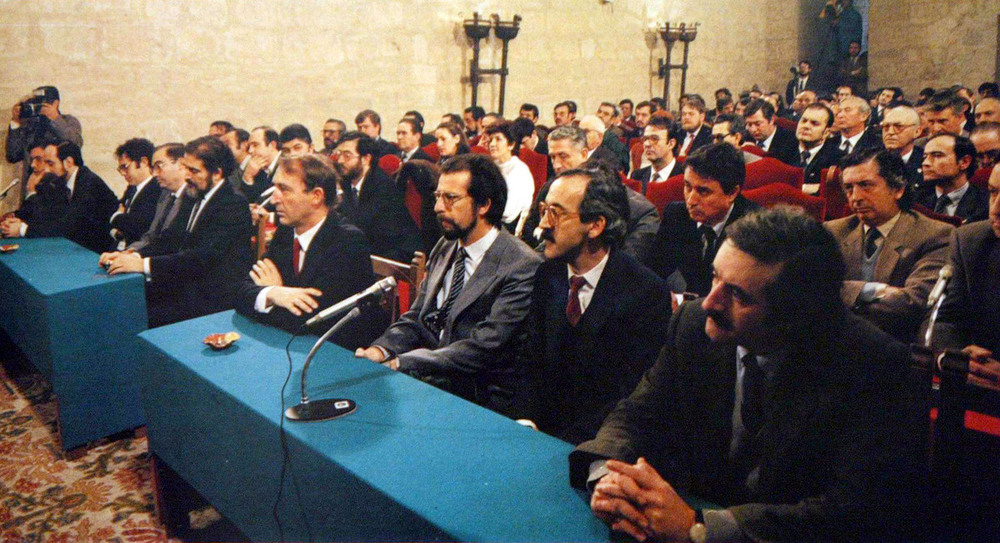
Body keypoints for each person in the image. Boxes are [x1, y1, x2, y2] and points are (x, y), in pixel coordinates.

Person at [571, 206, 924, 543]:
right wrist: (609, 474)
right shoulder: (693, 324)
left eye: (737, 294)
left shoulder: (872, 364)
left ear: (796, 314)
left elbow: (856, 510)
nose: (710, 301)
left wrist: (701, 527)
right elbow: (638, 413)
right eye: (715, 277)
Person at [355, 154, 543, 416]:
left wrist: (402, 362)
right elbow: (416, 318)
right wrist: (381, 349)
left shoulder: (520, 265)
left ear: (484, 205)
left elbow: (483, 347)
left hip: (476, 396)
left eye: (450, 198)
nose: (437, 207)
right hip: (428, 378)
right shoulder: (446, 245)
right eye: (437, 196)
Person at [523, 163, 670, 444]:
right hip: (535, 433)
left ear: (595, 225)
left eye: (556, 213)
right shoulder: (547, 274)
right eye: (543, 210)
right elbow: (529, 362)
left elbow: (627, 397)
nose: (542, 225)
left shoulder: (646, 293)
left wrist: (560, 443)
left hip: (596, 444)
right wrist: (526, 422)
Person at [106, 136, 253, 328]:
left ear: (217, 173)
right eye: (185, 168)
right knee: (122, 301)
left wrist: (143, 265)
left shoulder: (233, 204)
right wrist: (131, 254)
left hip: (213, 298)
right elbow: (170, 239)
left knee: (135, 313)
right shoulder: (194, 194)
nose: (187, 176)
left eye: (193, 170)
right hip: (188, 284)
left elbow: (201, 258)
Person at [234, 154, 381, 346]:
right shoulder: (287, 231)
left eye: (284, 190)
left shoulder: (348, 242)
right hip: (289, 345)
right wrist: (274, 294)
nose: (274, 199)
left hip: (335, 355)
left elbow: (311, 323)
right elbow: (241, 292)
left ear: (316, 196)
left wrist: (275, 292)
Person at [825, 148, 952, 341]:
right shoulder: (833, 231)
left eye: (865, 185)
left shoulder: (935, 235)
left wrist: (840, 292)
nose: (856, 197)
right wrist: (871, 291)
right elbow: (808, 289)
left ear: (898, 189)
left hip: (896, 346)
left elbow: (914, 302)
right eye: (849, 188)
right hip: (835, 341)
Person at [644, 143, 761, 295]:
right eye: (687, 187)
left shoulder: (755, 228)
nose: (691, 200)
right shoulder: (677, 215)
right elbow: (653, 272)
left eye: (703, 191)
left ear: (732, 193)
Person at [932, 163, 1000, 376]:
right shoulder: (971, 241)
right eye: (993, 193)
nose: (995, 209)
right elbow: (945, 318)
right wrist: (956, 357)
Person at [1, 141, 117, 253]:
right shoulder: (59, 181)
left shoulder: (88, 183)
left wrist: (23, 229)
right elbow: (47, 213)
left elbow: (68, 226)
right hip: (74, 246)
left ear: (69, 162)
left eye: (50, 164)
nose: (46, 169)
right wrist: (19, 221)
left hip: (95, 251)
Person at [333, 131, 421, 262]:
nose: (340, 161)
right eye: (339, 154)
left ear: (366, 159)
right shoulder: (348, 183)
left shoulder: (382, 187)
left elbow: (374, 236)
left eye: (347, 156)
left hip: (392, 259)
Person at [6, 86, 83, 184]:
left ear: (55, 103)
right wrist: (16, 122)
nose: (39, 107)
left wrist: (54, 118)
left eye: (42, 103)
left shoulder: (68, 121)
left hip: (59, 185)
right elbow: (13, 155)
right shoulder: (30, 124)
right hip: (34, 186)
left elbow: (75, 144)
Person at [916, 134, 989, 222]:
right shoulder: (914, 201)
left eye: (937, 155)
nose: (925, 163)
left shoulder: (985, 204)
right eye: (925, 157)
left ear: (964, 162)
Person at [109, 138, 161, 249]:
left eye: (125, 167)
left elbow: (137, 226)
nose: (123, 173)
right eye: (120, 169)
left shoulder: (156, 189)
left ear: (143, 162)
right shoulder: (132, 187)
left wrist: (116, 216)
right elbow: (119, 213)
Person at [483, 122, 534, 235]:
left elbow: (509, 212)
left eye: (498, 139)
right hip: (487, 221)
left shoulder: (520, 171)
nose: (492, 144)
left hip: (506, 228)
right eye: (490, 140)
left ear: (511, 145)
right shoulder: (489, 167)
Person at [796, 103, 844, 191]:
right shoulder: (780, 151)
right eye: (803, 121)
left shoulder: (838, 159)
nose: (806, 126)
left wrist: (819, 188)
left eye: (814, 123)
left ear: (826, 132)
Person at [631, 116, 683, 194]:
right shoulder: (637, 176)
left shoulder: (683, 178)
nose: (647, 144)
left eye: (654, 139)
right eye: (645, 139)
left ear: (671, 144)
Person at [744, 99, 799, 165]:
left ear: (772, 120)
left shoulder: (790, 142)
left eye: (757, 124)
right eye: (749, 124)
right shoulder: (745, 139)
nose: (753, 129)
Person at [881, 106, 924, 186]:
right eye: (886, 127)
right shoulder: (872, 160)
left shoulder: (925, 161)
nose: (890, 132)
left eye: (898, 127)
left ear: (917, 131)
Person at [242, 125, 282, 203]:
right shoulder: (257, 169)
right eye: (249, 146)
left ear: (272, 145)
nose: (250, 151)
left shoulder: (287, 165)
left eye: (255, 145)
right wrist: (248, 177)